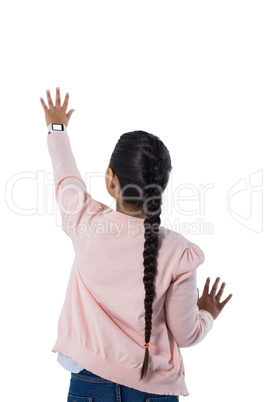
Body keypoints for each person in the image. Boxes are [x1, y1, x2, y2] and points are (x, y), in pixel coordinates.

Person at [40, 88, 233, 401]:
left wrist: (57, 128)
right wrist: (206, 313)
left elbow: (66, 176)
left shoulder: (84, 220)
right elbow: (185, 334)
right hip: (153, 388)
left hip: (89, 383)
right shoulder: (178, 252)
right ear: (161, 188)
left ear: (110, 180)